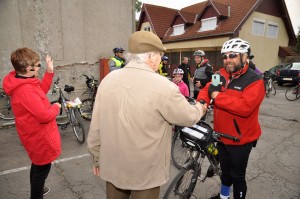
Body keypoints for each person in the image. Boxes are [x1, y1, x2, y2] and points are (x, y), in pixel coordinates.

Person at [87, 31, 206, 199]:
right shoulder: (164, 86)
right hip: (145, 172)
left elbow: (96, 126)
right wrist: (201, 108)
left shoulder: (108, 80)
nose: (160, 59)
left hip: (113, 167)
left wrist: (97, 158)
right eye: (159, 55)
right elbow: (188, 117)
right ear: (151, 57)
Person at [197, 38, 265, 199]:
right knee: (226, 173)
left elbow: (245, 107)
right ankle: (223, 197)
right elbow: (208, 90)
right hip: (221, 135)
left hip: (240, 140)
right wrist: (201, 103)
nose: (228, 60)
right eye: (225, 56)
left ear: (244, 57)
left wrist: (217, 96)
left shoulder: (255, 81)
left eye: (232, 55)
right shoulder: (220, 74)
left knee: (237, 176)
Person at [2, 48, 61, 199]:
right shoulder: (25, 90)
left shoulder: (24, 82)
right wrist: (56, 107)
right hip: (39, 138)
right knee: (41, 170)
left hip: (33, 135)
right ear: (30, 69)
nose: (39, 67)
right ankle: (37, 193)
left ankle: (38, 189)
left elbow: (40, 91)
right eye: (38, 65)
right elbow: (43, 116)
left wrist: (49, 71)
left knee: (37, 165)